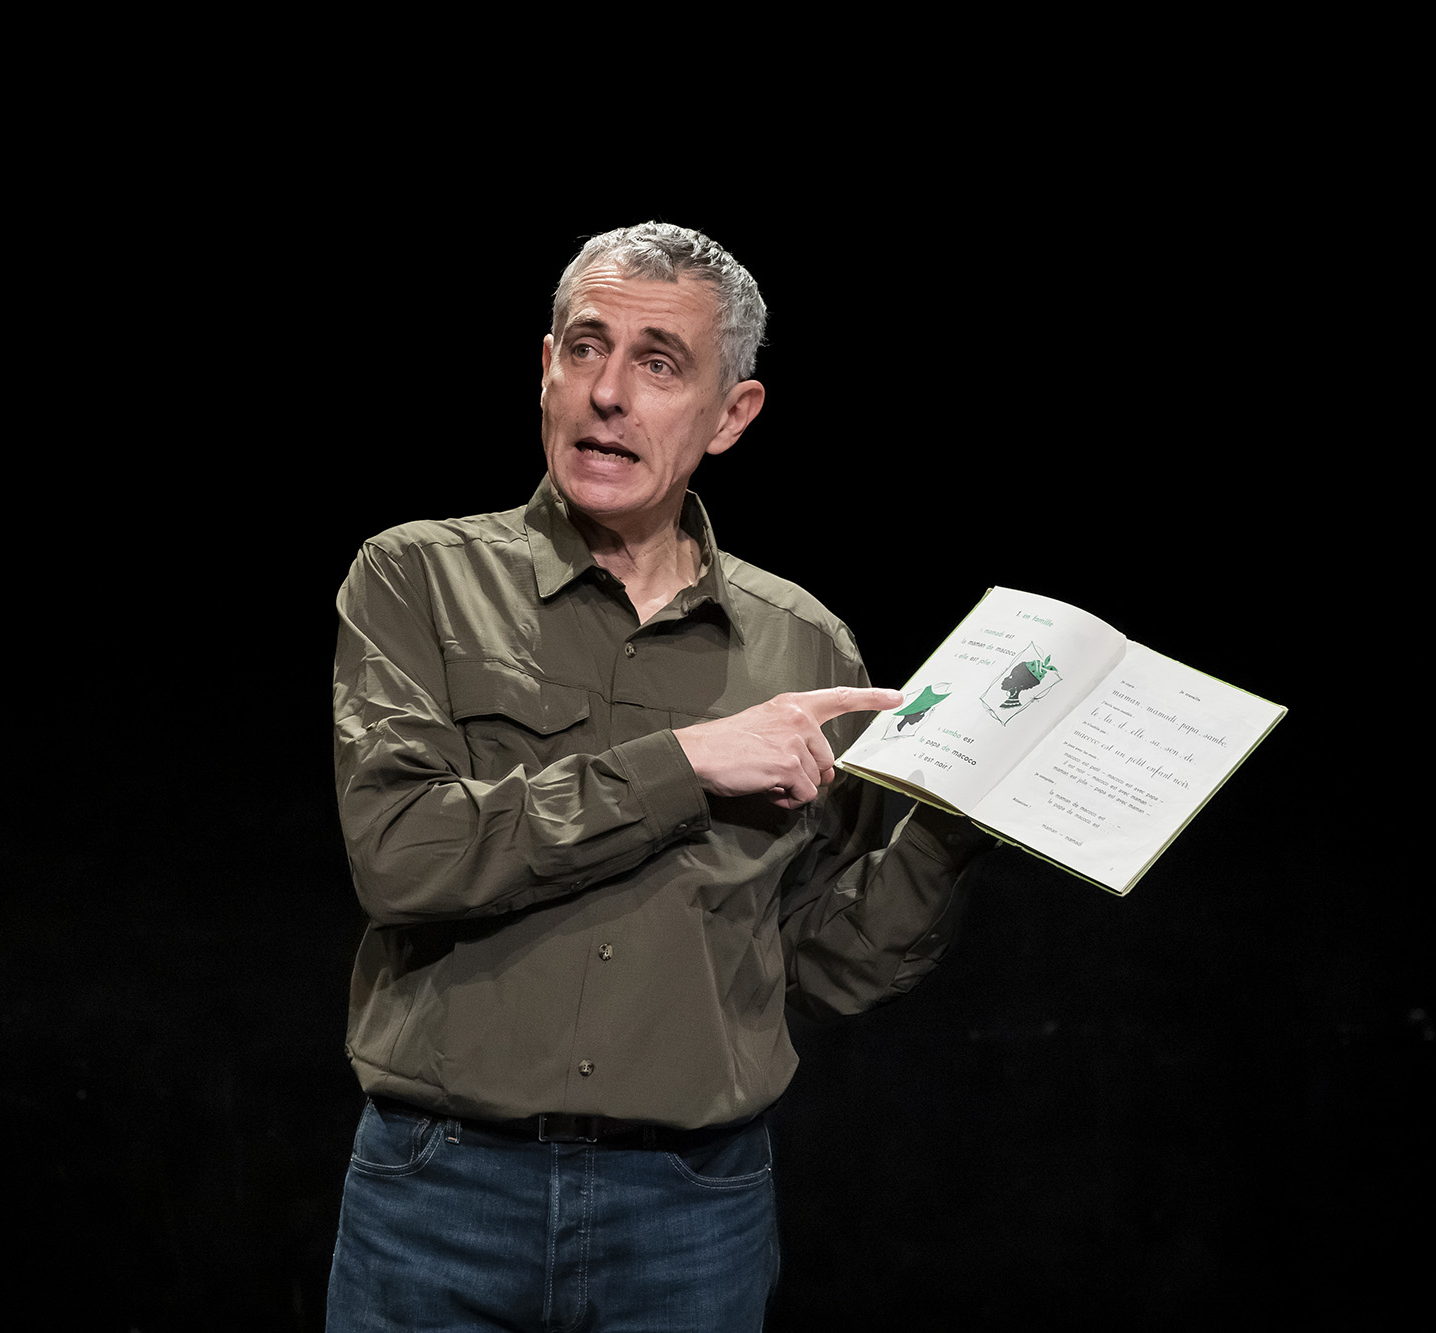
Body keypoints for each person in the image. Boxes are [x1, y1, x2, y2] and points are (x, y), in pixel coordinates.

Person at [326, 222, 993, 1331]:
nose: (608, 394)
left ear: (731, 414)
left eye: (659, 363)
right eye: (587, 349)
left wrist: (951, 825)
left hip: (691, 1212)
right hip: (441, 1192)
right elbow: (405, 857)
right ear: (545, 367)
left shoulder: (806, 646)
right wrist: (687, 761)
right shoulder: (415, 579)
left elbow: (819, 962)